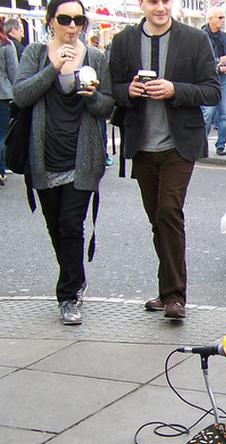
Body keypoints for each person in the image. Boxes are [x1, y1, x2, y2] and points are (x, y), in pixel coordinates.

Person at [109, 0, 220, 320]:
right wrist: (128, 90)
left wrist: (174, 89)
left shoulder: (194, 39)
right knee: (157, 218)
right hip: (142, 144)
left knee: (169, 210)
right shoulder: (124, 40)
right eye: (153, 1)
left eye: (165, 1)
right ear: (142, 4)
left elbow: (212, 91)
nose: (160, 7)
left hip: (179, 143)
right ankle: (166, 290)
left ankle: (175, 296)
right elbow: (112, 89)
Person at [13, 0, 113, 325]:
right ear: (50, 21)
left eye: (78, 20)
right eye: (65, 19)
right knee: (55, 227)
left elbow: (107, 106)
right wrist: (53, 68)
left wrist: (93, 95)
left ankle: (69, 295)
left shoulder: (95, 57)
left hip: (81, 158)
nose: (72, 26)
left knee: (72, 226)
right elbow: (21, 94)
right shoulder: (35, 53)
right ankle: (76, 278)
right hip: (44, 157)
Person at [201, 6, 226, 157]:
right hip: (208, 77)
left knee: (224, 113)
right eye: (220, 17)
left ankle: (221, 146)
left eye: (223, 17)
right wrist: (214, 64)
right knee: (208, 112)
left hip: (224, 77)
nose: (223, 20)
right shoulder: (201, 35)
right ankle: (201, 144)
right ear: (210, 19)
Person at [0, 18, 18, 186]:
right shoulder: (6, 44)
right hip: (3, 94)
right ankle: (2, 168)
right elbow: (14, 72)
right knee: (3, 135)